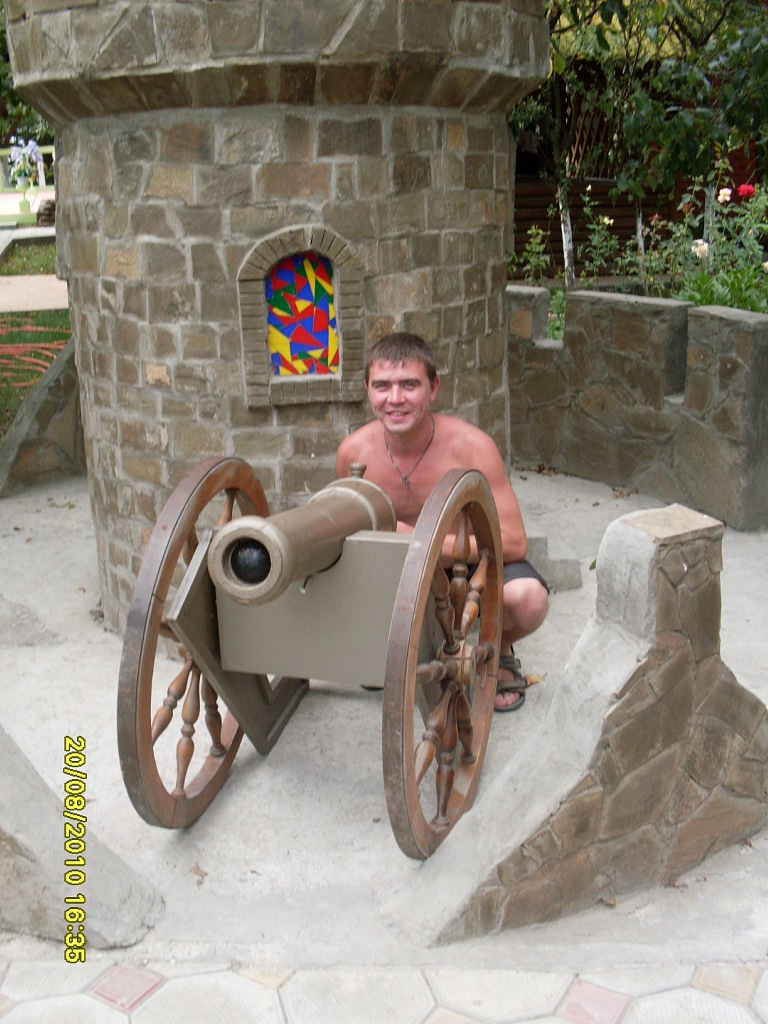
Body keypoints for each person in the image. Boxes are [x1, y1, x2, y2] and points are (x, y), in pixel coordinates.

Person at [335, 333, 548, 712]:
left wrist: (420, 541)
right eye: (382, 386)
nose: (395, 398)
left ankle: (497, 649)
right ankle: (392, 650)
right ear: (367, 389)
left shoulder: (472, 447)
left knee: (528, 599)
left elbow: (514, 542)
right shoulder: (353, 453)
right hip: (399, 572)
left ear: (433, 388)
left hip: (469, 568)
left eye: (409, 385)